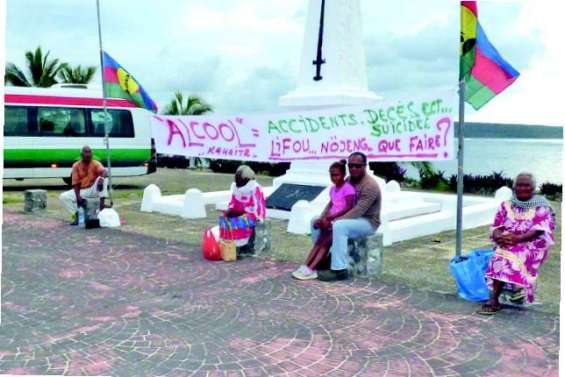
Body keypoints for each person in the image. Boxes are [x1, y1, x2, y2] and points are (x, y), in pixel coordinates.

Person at [478, 172, 555, 315]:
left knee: (505, 254)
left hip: (531, 244)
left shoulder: (541, 206)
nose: (522, 188)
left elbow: (540, 230)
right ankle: (512, 289)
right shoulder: (506, 205)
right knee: (503, 252)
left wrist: (517, 239)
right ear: (514, 188)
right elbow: (495, 225)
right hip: (508, 241)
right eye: (519, 185)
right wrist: (498, 236)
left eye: (526, 185)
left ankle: (494, 298)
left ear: (533, 188)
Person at [315, 152, 382, 281]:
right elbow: (333, 201)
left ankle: (339, 270)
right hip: (352, 218)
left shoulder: (370, 185)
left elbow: (359, 210)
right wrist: (323, 217)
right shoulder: (348, 180)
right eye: (351, 166)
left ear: (365, 166)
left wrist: (334, 221)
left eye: (358, 166)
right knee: (315, 222)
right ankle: (323, 257)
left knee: (339, 226)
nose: (354, 169)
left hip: (368, 222)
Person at [292, 160, 356, 280]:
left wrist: (332, 218)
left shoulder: (348, 189)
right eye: (331, 175)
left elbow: (349, 207)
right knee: (318, 243)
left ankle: (312, 269)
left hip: (340, 222)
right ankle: (305, 265)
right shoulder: (332, 189)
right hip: (330, 221)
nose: (334, 177)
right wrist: (323, 218)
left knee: (325, 244)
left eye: (336, 174)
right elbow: (331, 205)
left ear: (343, 175)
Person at [219, 165, 266, 254]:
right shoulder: (236, 188)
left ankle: (239, 246)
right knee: (225, 218)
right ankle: (228, 245)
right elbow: (233, 203)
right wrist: (229, 211)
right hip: (241, 211)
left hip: (252, 214)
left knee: (239, 220)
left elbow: (258, 206)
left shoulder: (255, 188)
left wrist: (256, 217)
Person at [59, 146, 109, 225]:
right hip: (82, 190)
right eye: (86, 152)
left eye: (89, 152)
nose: (88, 154)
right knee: (63, 197)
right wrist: (78, 197)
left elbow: (105, 171)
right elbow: (75, 183)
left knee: (104, 178)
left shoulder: (96, 163)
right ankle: (76, 217)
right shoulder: (76, 165)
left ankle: (102, 205)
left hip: (94, 189)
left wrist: (101, 179)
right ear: (81, 154)